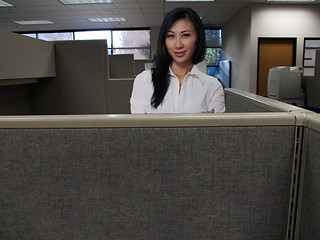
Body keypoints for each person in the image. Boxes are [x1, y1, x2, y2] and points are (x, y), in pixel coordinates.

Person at [130, 7, 225, 114]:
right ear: (164, 40)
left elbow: (215, 130)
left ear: (198, 38)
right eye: (171, 36)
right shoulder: (144, 81)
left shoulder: (212, 86)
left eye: (185, 35)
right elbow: (139, 129)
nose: (178, 45)